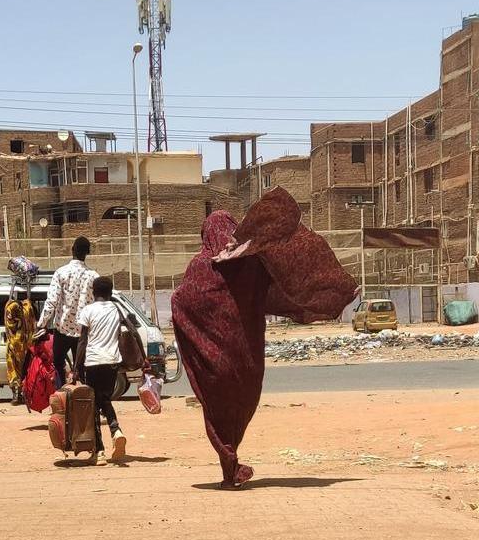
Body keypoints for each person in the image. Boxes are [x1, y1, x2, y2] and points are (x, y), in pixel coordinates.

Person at [171, 188, 357, 488]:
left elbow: (182, 301)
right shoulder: (255, 263)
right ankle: (231, 460)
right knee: (242, 406)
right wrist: (331, 294)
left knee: (217, 409)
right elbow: (290, 283)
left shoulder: (200, 266)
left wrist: (196, 335)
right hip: (247, 355)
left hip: (213, 359)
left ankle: (227, 458)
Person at [77, 276, 128, 466]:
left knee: (94, 406)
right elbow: (124, 333)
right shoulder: (117, 309)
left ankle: (99, 452)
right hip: (113, 362)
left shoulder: (88, 310)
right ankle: (116, 430)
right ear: (110, 292)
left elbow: (82, 341)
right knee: (104, 399)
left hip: (93, 362)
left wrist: (76, 367)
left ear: (93, 292)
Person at [37, 237, 99, 387]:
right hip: (83, 333)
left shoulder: (61, 273)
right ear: (88, 253)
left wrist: (41, 324)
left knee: (58, 364)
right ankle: (85, 402)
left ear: (72, 250)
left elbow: (51, 302)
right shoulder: (93, 276)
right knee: (83, 368)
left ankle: (61, 396)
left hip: (62, 330)